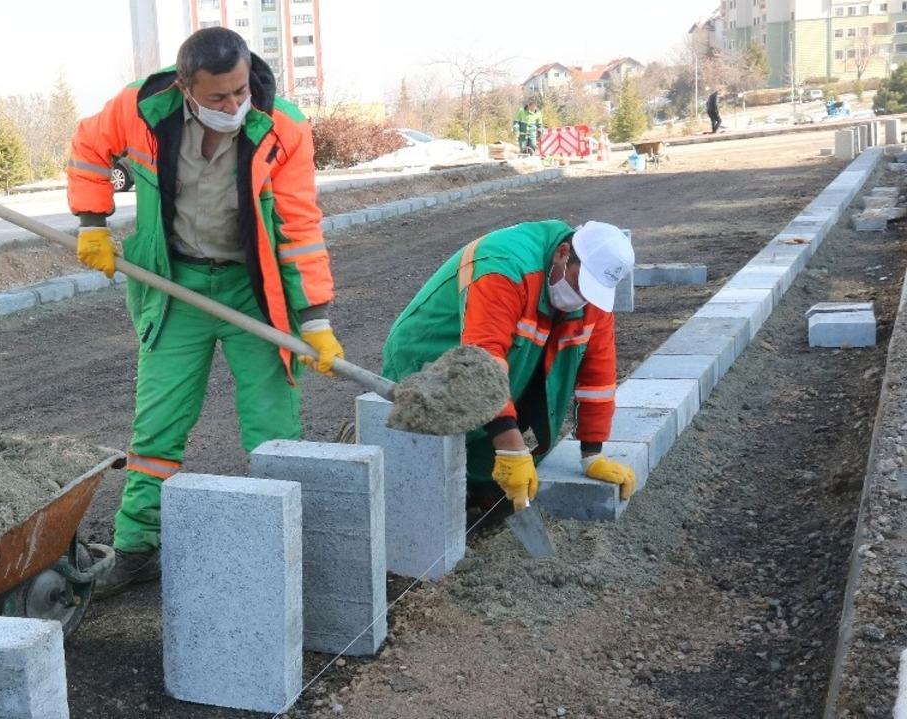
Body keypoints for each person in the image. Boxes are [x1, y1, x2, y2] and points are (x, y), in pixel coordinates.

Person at [66, 27, 344, 595]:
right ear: (187, 87)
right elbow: (88, 147)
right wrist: (92, 222)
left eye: (240, 91)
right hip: (176, 286)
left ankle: (290, 542)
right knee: (157, 427)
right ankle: (138, 547)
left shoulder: (281, 126)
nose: (234, 106)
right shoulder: (141, 108)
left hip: (252, 290)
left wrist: (314, 318)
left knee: (275, 426)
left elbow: (298, 228)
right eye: (218, 97)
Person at [382, 220, 637, 514]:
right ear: (563, 253)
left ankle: (477, 496)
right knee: (419, 468)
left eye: (591, 290)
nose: (582, 297)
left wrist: (592, 453)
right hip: (432, 350)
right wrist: (511, 447)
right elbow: (481, 364)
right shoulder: (503, 266)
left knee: (487, 476)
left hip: (502, 362)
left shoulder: (592, 297)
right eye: (580, 282)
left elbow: (598, 377)